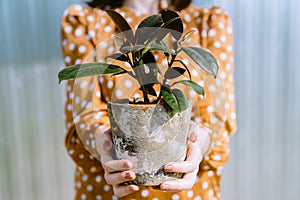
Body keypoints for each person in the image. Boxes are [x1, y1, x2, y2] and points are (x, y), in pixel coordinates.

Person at [61, 0, 237, 199]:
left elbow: (217, 116)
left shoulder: (207, 22)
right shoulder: (86, 22)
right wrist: (105, 146)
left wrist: (197, 144)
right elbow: (85, 115)